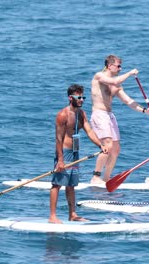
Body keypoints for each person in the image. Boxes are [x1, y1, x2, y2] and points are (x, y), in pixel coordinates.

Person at [89, 54, 149, 184]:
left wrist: (145, 111)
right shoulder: (99, 76)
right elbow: (114, 81)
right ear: (110, 66)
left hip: (109, 115)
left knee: (116, 148)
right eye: (118, 66)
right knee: (107, 145)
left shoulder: (117, 86)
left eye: (121, 67)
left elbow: (128, 101)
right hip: (99, 114)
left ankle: (106, 178)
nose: (120, 69)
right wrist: (130, 73)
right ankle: (95, 177)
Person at [49, 84, 109, 224]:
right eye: (79, 97)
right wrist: (60, 160)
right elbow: (58, 139)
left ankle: (73, 214)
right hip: (64, 153)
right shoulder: (62, 115)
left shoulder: (81, 114)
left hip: (75, 152)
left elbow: (89, 131)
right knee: (57, 184)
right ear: (71, 98)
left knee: (71, 185)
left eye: (83, 97)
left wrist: (100, 144)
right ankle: (52, 216)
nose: (82, 99)